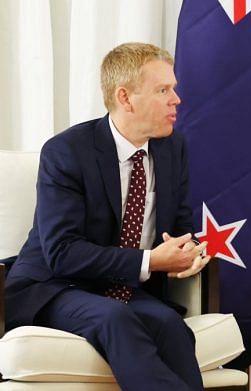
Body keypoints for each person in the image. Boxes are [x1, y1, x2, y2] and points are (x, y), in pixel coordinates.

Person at [5, 42, 211, 390]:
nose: (176, 100)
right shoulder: (66, 152)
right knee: (116, 319)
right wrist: (151, 261)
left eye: (173, 89)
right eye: (163, 90)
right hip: (54, 286)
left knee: (169, 325)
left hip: (121, 288)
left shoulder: (173, 147)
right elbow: (62, 252)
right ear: (125, 98)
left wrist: (189, 252)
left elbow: (180, 228)